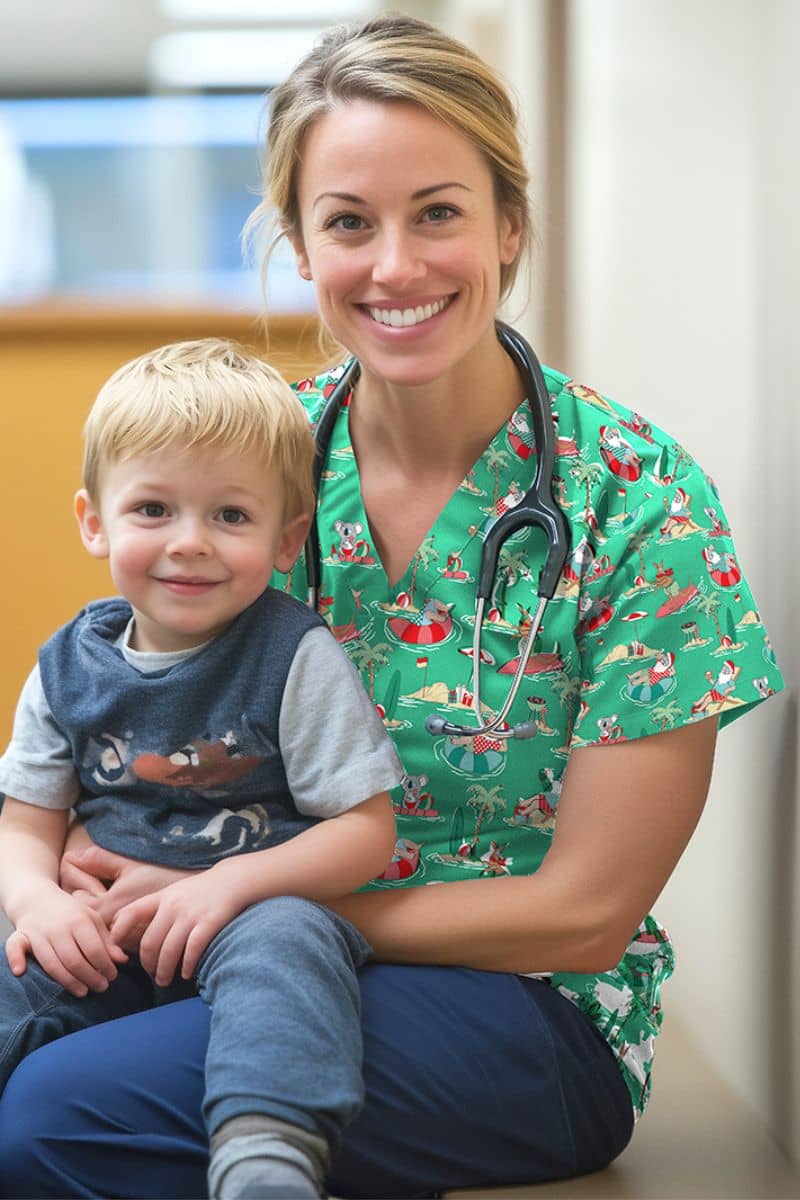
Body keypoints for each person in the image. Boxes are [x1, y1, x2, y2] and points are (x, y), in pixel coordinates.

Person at [0, 12, 784, 1200]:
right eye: (349, 223)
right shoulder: (248, 466)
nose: (395, 267)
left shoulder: (637, 502)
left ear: (508, 225)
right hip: (212, 942)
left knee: (56, 1115)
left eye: (438, 213)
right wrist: (67, 876)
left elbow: (584, 911)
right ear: (299, 246)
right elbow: (128, 711)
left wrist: (260, 898)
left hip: (522, 1010)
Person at [0, 338, 403, 1199]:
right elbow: (26, 821)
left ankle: (267, 1155)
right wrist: (38, 901)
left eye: (230, 516)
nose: (190, 544)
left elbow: (366, 833)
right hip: (104, 928)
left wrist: (232, 888)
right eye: (153, 509)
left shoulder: (292, 656)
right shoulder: (68, 663)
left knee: (294, 944)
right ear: (93, 520)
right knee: (15, 948)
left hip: (246, 913)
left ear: (288, 536)